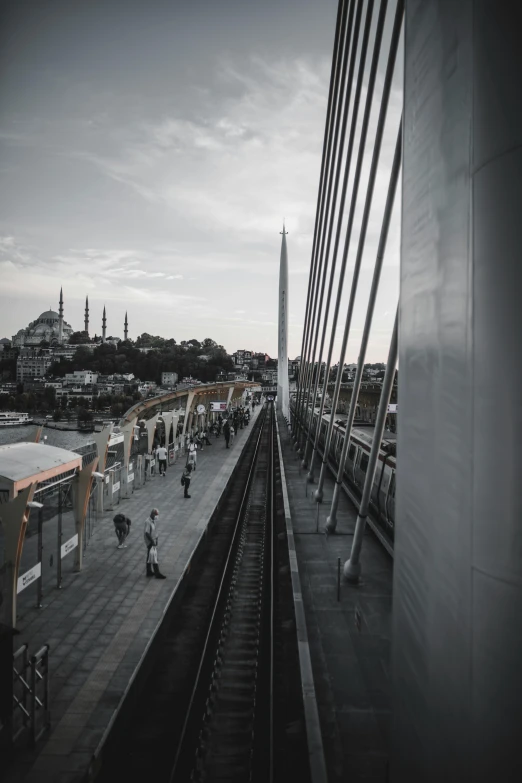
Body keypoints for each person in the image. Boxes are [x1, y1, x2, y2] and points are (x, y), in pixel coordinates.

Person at [143, 508, 166, 578]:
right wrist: (152, 542)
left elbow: (154, 530)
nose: (157, 516)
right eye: (156, 515)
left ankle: (149, 571)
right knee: (154, 556)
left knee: (149, 556)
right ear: (152, 514)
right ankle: (157, 573)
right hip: (150, 541)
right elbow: (147, 533)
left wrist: (156, 539)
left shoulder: (154, 520)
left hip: (153, 540)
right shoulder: (148, 522)